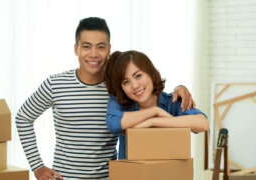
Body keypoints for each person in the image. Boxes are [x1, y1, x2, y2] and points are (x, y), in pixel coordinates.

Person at [16, 17, 195, 180]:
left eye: (100, 47)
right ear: (76, 49)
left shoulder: (120, 89)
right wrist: (37, 166)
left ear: (109, 49)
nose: (93, 54)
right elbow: (23, 117)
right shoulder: (54, 84)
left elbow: (149, 93)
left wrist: (180, 88)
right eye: (86, 46)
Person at [104, 50, 209, 159]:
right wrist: (155, 111)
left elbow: (202, 124)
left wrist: (152, 121)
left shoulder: (171, 102)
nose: (134, 85)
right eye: (126, 82)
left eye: (138, 76)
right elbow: (114, 124)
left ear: (150, 72)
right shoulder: (121, 105)